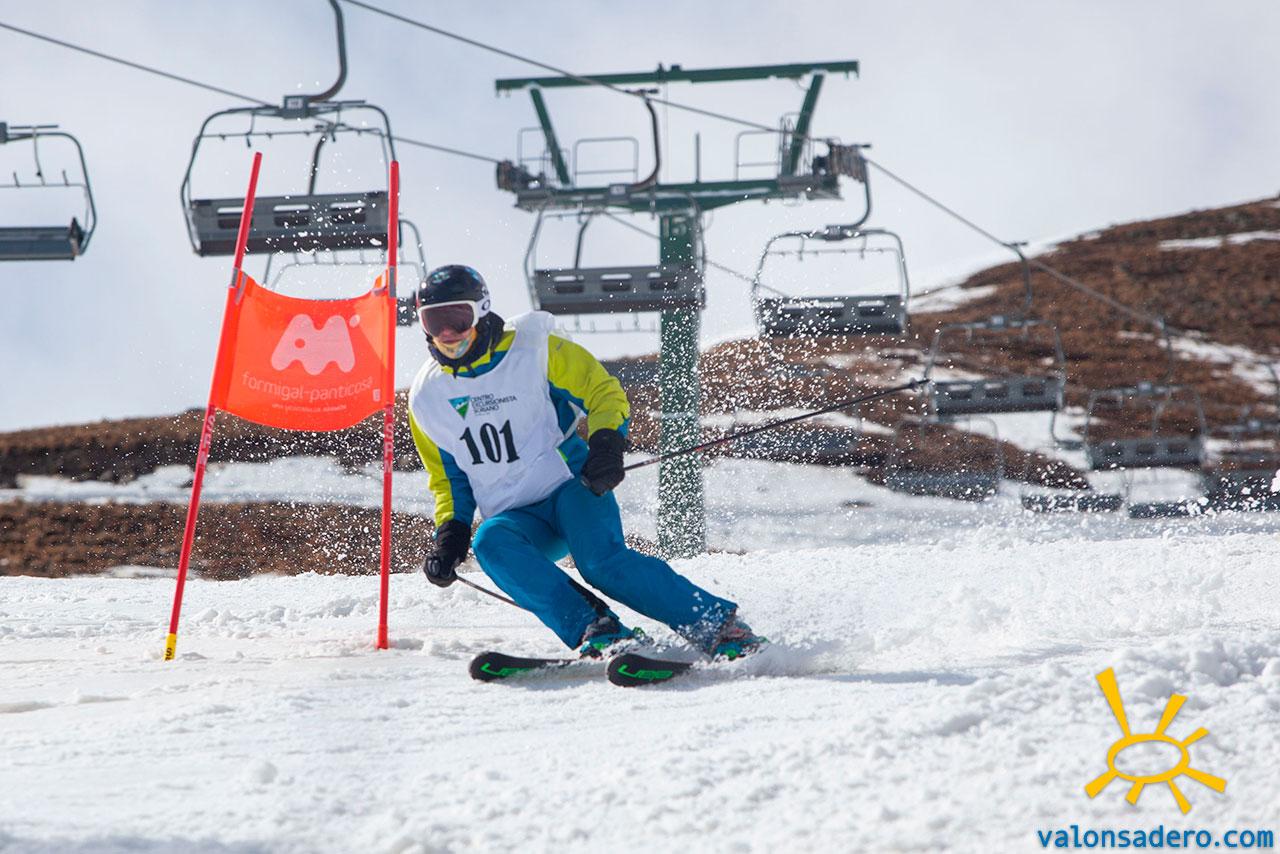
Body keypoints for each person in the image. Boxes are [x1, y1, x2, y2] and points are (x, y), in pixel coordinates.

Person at [406, 264, 764, 659]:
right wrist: (451, 534)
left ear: (482, 310)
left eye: (458, 318)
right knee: (489, 542)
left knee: (600, 564)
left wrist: (607, 444)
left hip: (572, 488)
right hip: (517, 517)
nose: (447, 333)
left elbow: (602, 391)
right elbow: (448, 479)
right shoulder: (427, 397)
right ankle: (599, 629)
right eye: (434, 321)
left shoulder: (534, 349)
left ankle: (719, 627)